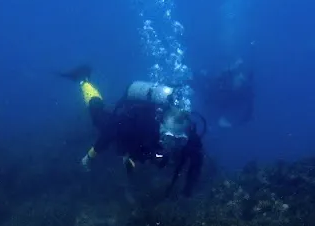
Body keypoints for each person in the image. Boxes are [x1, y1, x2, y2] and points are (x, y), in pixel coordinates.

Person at [60, 65, 204, 196]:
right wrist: (90, 156)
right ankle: (83, 80)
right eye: (169, 138)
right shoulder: (144, 122)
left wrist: (187, 191)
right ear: (161, 123)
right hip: (126, 126)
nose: (173, 144)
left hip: (142, 141)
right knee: (98, 115)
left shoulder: (190, 136)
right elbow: (110, 131)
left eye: (180, 140)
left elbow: (196, 162)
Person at [194, 58, 254, 130]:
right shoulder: (221, 82)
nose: (240, 84)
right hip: (205, 92)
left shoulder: (242, 92)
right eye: (240, 80)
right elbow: (211, 101)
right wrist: (218, 118)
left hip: (217, 103)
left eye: (243, 82)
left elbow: (248, 110)